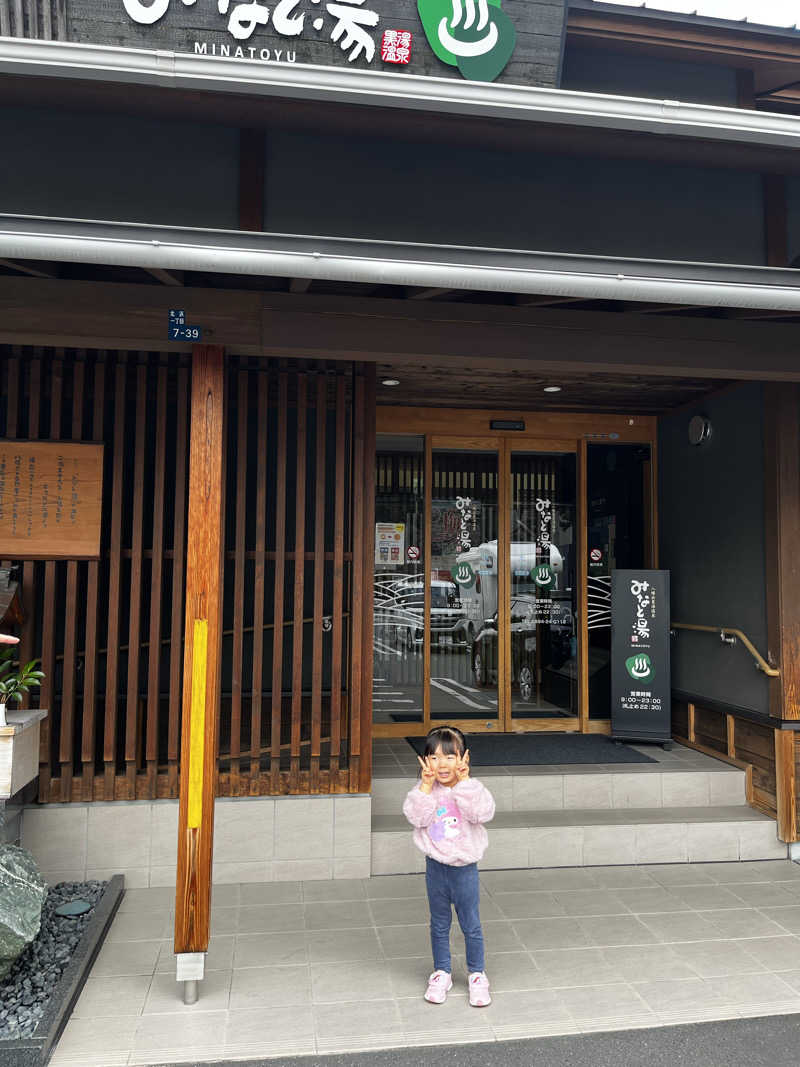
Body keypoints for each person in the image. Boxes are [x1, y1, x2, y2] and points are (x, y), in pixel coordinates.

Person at [402, 725, 495, 1007]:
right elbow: (416, 818)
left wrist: (465, 785)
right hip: (436, 868)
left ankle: (477, 974)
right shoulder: (426, 791)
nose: (442, 764)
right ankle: (442, 971)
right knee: (439, 924)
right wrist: (426, 787)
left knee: (471, 924)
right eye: (434, 757)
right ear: (425, 760)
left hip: (465, 869)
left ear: (464, 759)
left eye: (450, 757)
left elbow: (481, 813)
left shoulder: (473, 789)